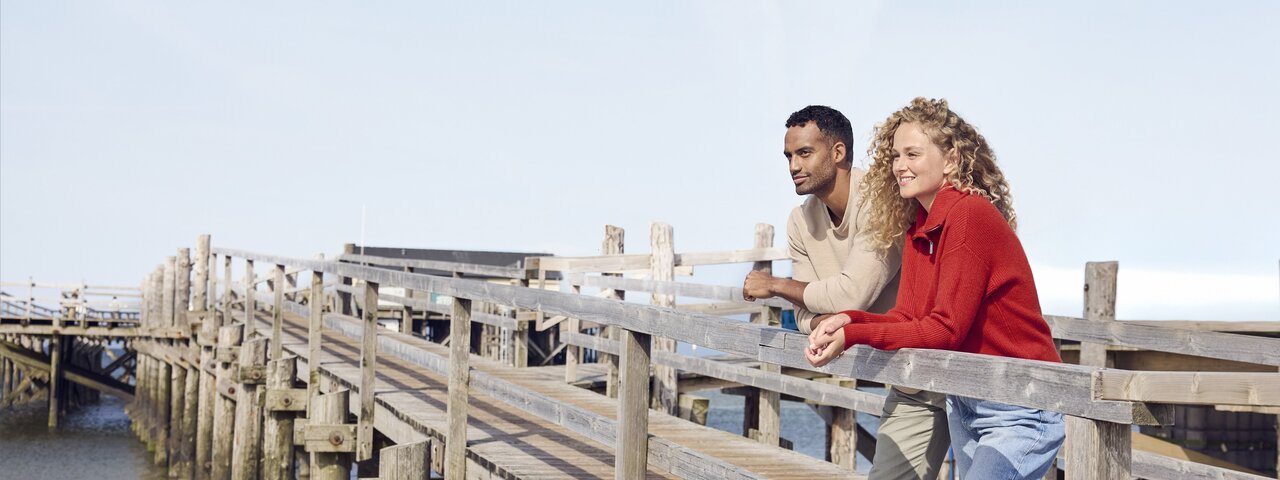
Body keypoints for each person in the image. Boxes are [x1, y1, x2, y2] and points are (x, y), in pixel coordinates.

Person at [806, 97, 1065, 479]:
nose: (899, 166)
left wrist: (853, 334)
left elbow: (946, 328)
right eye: (895, 156)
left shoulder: (969, 215)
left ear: (951, 159)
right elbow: (907, 317)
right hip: (966, 397)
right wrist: (848, 318)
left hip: (1021, 405)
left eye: (912, 154)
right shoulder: (919, 227)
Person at [742, 105, 949, 480]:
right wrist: (817, 309)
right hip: (910, 380)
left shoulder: (882, 198)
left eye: (805, 153)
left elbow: (851, 294)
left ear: (838, 153)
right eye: (789, 156)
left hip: (953, 362)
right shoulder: (799, 221)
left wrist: (776, 286)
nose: (793, 166)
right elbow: (807, 315)